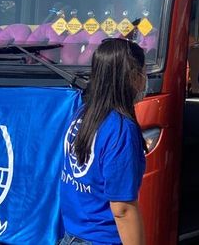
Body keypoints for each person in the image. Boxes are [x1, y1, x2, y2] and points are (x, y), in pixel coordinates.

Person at [59, 38, 148, 245]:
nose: (145, 80)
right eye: (144, 73)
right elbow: (123, 210)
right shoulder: (121, 129)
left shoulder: (82, 114)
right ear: (134, 78)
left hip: (72, 235)